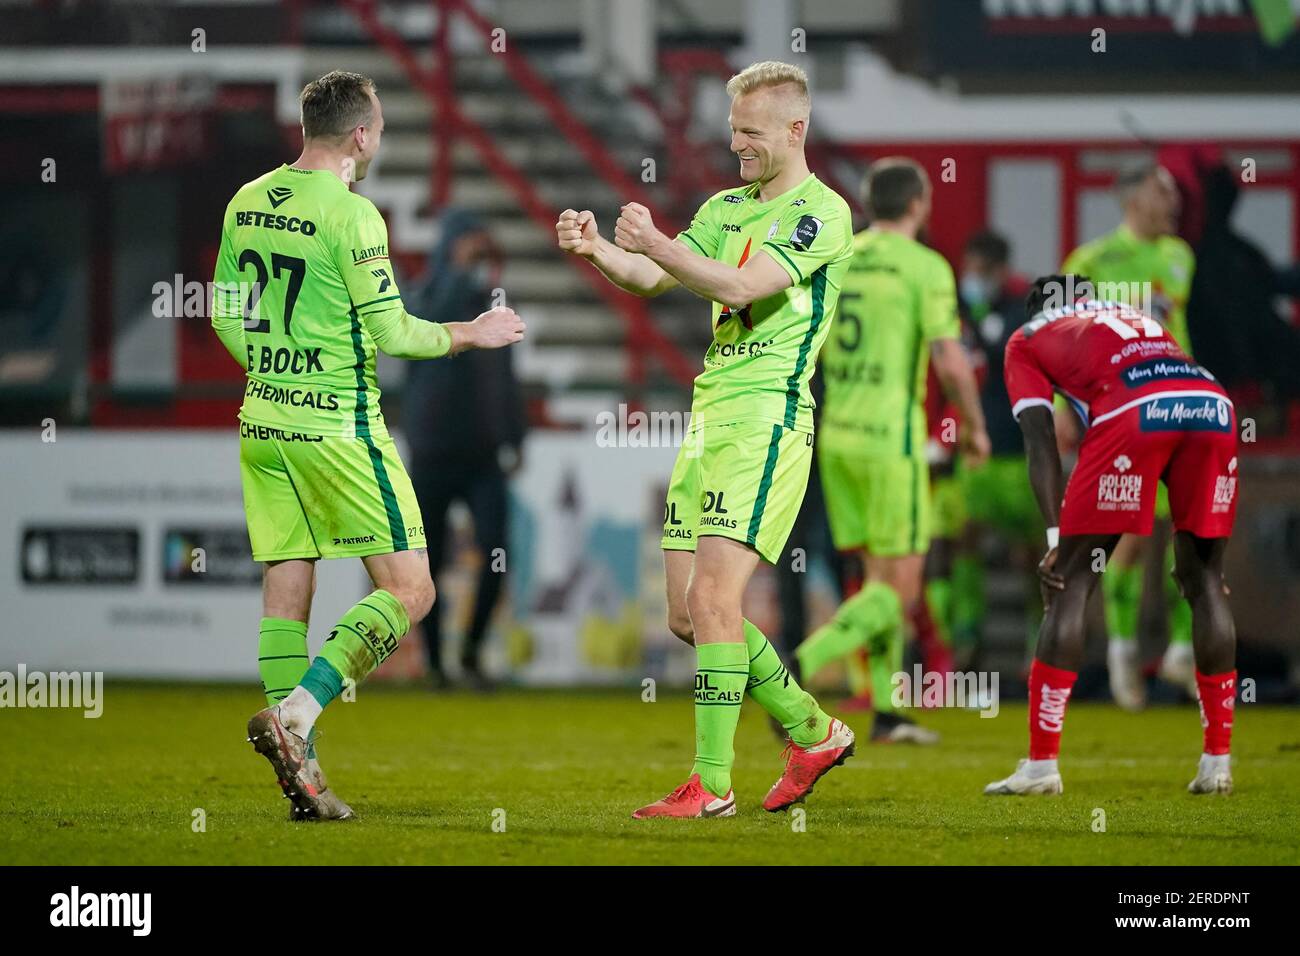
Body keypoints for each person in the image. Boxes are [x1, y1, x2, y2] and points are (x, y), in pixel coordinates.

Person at [210, 71, 525, 820]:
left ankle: (303, 772)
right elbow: (393, 333)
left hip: (264, 421)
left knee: (290, 577)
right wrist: (467, 333)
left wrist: (270, 368)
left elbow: (223, 312)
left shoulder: (247, 200)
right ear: (361, 135)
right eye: (379, 126)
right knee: (413, 590)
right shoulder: (354, 216)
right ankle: (298, 716)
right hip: (337, 427)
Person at [556, 60, 856, 818]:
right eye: (732, 133)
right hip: (709, 416)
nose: (737, 147)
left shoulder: (822, 213)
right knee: (689, 616)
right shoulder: (726, 207)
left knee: (718, 597)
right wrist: (600, 251)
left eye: (751, 134)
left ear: (797, 130)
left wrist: (657, 245)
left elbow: (738, 288)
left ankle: (711, 785)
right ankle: (811, 731)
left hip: (768, 418)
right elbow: (654, 277)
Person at [985, 276, 1238, 797]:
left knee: (1070, 582)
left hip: (1134, 411)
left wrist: (1056, 537)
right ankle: (1217, 763)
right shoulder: (1131, 316)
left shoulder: (1027, 339)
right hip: (1213, 405)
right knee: (1206, 581)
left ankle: (1040, 766)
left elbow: (1041, 442)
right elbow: (1171, 390)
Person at [793, 157, 989, 745]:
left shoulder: (838, 255)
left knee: (874, 579)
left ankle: (887, 711)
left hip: (836, 439)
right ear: (918, 204)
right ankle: (795, 670)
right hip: (891, 442)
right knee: (899, 591)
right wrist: (975, 429)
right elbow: (951, 361)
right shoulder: (924, 267)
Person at [1063, 163, 1197, 708]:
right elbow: (1064, 341)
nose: (1174, 201)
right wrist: (1060, 407)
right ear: (1132, 196)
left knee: (1193, 536)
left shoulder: (1181, 256)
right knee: (1131, 544)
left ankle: (1180, 654)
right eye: (1163, 191)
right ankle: (1121, 652)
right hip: (1120, 417)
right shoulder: (1091, 262)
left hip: (1180, 408)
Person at [404, 208, 527, 690]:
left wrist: (515, 436)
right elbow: (438, 315)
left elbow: (505, 378)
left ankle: (472, 654)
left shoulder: (488, 300)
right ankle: (435, 663)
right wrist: (461, 267)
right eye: (468, 243)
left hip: (482, 456)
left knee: (497, 552)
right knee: (426, 562)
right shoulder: (423, 296)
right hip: (433, 452)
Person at [946, 230, 1042, 662]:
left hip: (1017, 449)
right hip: (974, 450)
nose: (973, 278)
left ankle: (1036, 641)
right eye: (970, 269)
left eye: (982, 271)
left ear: (1002, 272)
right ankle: (967, 636)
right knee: (964, 537)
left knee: (1031, 553)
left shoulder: (1024, 313)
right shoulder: (955, 312)